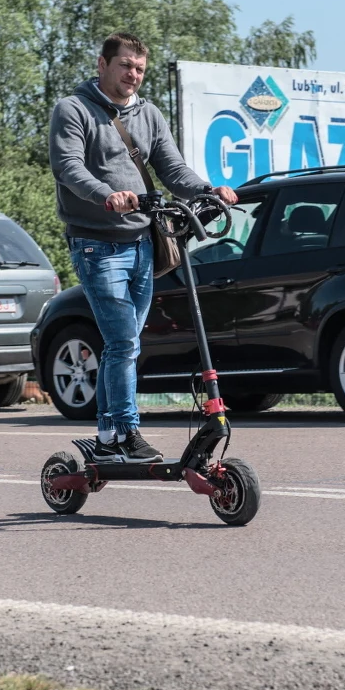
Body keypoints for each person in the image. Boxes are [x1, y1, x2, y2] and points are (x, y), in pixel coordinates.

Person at [49, 31, 238, 462]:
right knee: (121, 342)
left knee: (128, 343)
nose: (132, 75)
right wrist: (105, 194)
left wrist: (208, 190)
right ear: (103, 64)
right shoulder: (74, 110)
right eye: (125, 66)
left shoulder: (147, 113)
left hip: (142, 243)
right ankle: (125, 435)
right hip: (97, 245)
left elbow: (172, 167)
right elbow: (67, 167)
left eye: (139, 69)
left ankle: (106, 435)